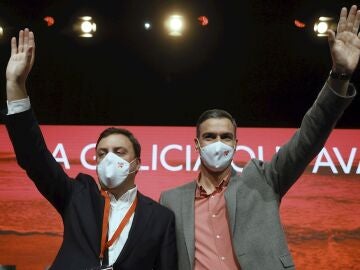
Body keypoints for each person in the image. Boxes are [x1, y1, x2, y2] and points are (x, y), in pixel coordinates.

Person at [160, 5, 359, 270]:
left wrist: (340, 75)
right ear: (196, 145)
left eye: (225, 137)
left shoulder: (263, 180)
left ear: (235, 144)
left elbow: (310, 135)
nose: (218, 143)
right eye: (209, 136)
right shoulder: (171, 199)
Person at [3, 28, 177, 270]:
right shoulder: (77, 196)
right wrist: (16, 85)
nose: (109, 158)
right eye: (102, 153)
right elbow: (34, 156)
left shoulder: (161, 218)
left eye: (120, 151)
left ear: (137, 164)